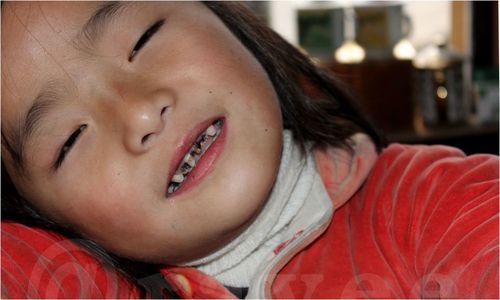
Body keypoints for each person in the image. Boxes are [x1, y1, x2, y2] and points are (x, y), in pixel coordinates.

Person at [1, 2, 497, 299]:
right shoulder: (61, 276)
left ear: (232, 19)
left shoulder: (437, 204)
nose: (140, 115)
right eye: (70, 139)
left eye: (143, 39)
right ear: (43, 219)